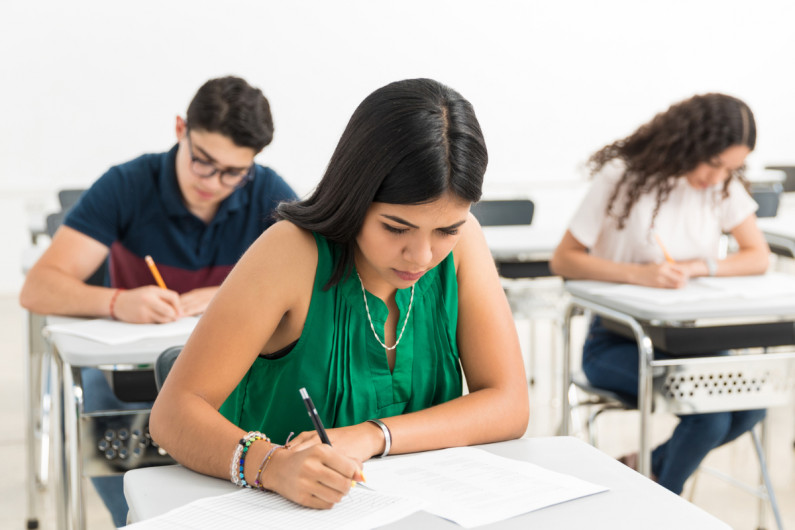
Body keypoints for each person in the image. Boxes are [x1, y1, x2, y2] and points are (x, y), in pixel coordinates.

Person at [149, 78, 529, 509]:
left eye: (446, 230)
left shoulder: (465, 244)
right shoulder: (292, 252)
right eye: (396, 227)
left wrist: (372, 436)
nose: (421, 255)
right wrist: (272, 464)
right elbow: (173, 414)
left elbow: (509, 403)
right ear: (355, 195)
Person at [20, 76, 297, 526]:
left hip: (229, 374)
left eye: (233, 172)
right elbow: (40, 287)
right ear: (179, 129)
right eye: (203, 161)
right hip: (127, 375)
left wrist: (234, 295)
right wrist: (117, 302)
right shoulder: (128, 184)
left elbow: (314, 285)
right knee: (100, 407)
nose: (213, 182)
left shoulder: (267, 192)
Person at [549, 93, 769, 495]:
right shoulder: (622, 177)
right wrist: (639, 275)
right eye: (715, 164)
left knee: (753, 402)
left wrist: (698, 267)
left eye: (731, 169)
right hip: (618, 343)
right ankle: (663, 507)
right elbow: (564, 259)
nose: (719, 177)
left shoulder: (720, 187)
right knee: (710, 418)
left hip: (688, 341)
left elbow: (759, 255)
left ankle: (644, 471)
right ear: (689, 144)